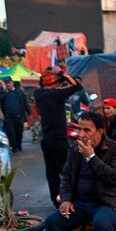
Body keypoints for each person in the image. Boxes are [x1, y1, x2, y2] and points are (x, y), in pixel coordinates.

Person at [44, 111, 116, 231]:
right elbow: (67, 178)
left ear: (100, 131)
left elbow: (114, 177)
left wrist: (91, 157)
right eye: (80, 129)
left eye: (87, 130)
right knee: (52, 222)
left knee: (101, 223)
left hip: (111, 202)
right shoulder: (74, 150)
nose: (81, 134)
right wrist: (66, 199)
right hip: (81, 204)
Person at [35, 68, 83, 205]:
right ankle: (71, 200)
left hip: (46, 140)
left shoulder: (39, 93)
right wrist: (63, 74)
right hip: (58, 140)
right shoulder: (56, 94)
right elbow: (77, 85)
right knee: (67, 171)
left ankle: (56, 200)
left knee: (52, 173)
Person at [0, 78, 30, 152]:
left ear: (12, 83)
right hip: (8, 116)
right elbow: (1, 100)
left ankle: (19, 146)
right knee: (11, 133)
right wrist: (5, 91)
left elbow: (25, 102)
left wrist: (29, 112)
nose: (7, 84)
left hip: (19, 115)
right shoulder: (2, 92)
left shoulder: (19, 91)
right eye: (6, 83)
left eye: (9, 83)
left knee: (19, 132)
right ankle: (14, 147)